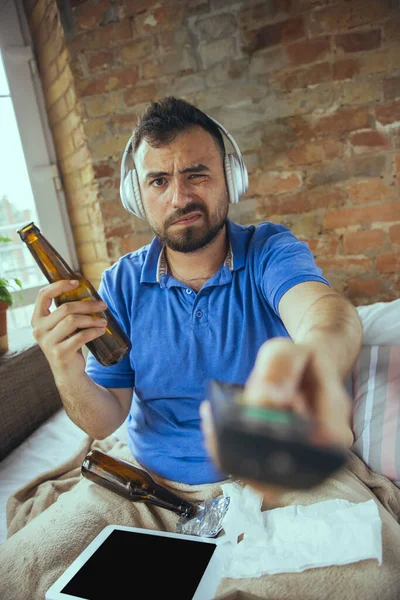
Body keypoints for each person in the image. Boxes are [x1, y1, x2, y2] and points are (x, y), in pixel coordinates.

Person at [2, 96, 390, 600]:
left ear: (230, 178)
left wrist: (310, 362)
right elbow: (102, 422)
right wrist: (64, 367)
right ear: (139, 195)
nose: (179, 196)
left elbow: (325, 312)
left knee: (368, 576)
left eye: (197, 174)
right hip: (148, 486)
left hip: (279, 472)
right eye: (159, 181)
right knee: (21, 570)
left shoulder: (270, 249)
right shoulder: (119, 283)